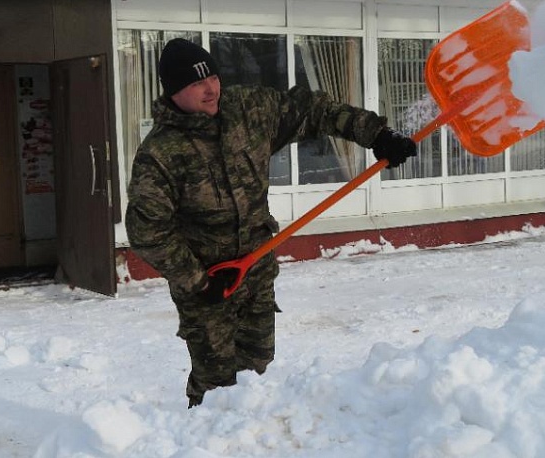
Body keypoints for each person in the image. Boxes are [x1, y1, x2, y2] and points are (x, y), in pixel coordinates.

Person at [125, 38, 417, 407]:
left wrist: (375, 134)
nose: (211, 88)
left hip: (256, 269)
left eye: (213, 77)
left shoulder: (249, 110)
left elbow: (313, 110)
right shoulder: (159, 153)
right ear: (174, 91)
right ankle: (201, 441)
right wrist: (199, 281)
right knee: (216, 379)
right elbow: (147, 230)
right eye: (197, 83)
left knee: (256, 372)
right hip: (206, 286)